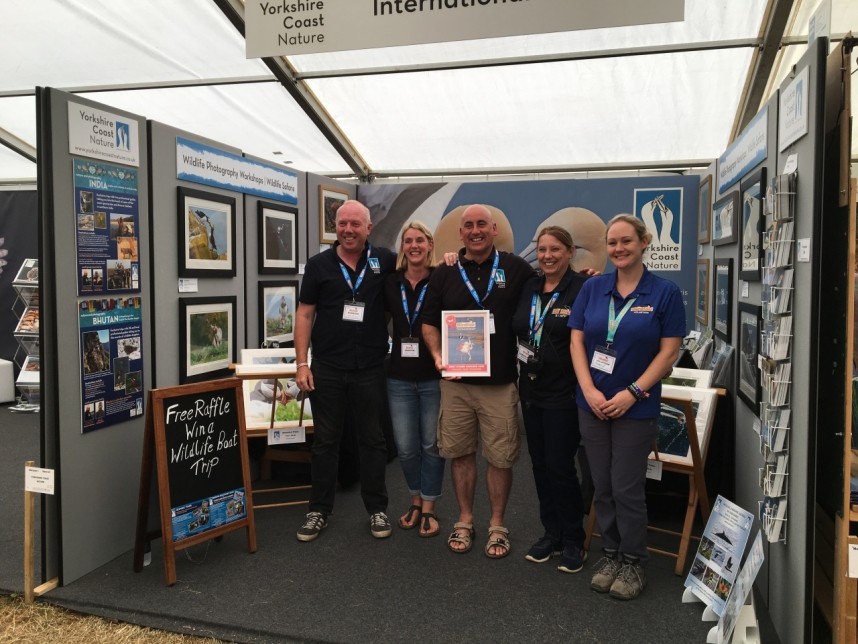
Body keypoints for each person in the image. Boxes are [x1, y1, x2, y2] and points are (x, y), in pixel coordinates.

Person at [569, 214, 685, 600]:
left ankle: (634, 561)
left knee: (626, 487)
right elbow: (576, 342)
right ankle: (612, 553)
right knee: (601, 484)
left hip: (635, 407)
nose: (618, 249)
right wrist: (588, 390)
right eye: (612, 242)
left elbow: (669, 352)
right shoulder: (592, 288)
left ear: (644, 242)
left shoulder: (664, 292)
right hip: (593, 405)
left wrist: (632, 392)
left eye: (626, 242)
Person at [422, 204, 534, 558]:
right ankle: (465, 519)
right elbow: (428, 322)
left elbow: (552, 284)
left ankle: (497, 524)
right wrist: (439, 357)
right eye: (468, 225)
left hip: (499, 384)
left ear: (494, 228)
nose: (475, 230)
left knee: (500, 457)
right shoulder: (446, 271)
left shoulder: (516, 268)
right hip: (456, 384)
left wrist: (586, 276)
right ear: (460, 233)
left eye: (481, 224)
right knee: (460, 454)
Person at [293, 199, 397, 541]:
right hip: (329, 367)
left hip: (369, 366)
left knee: (373, 440)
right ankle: (318, 511)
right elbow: (305, 314)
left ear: (369, 228)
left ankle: (377, 509)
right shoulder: (319, 265)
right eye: (342, 224)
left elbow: (420, 271)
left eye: (356, 224)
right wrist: (302, 363)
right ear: (334, 228)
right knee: (325, 442)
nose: (348, 230)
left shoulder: (385, 261)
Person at [511, 226, 588, 573]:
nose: (547, 256)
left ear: (570, 251)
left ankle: (574, 538)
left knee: (560, 466)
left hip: (564, 392)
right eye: (542, 249)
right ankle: (551, 533)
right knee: (539, 465)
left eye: (555, 249)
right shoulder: (529, 285)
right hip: (530, 389)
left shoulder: (583, 287)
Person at [384, 220, 445, 538]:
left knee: (432, 445)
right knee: (407, 448)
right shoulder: (390, 282)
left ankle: (430, 506)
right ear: (403, 247)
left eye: (420, 240)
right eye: (408, 241)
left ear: (430, 244)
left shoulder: (442, 278)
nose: (414, 246)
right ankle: (415, 500)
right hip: (398, 378)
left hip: (434, 376)